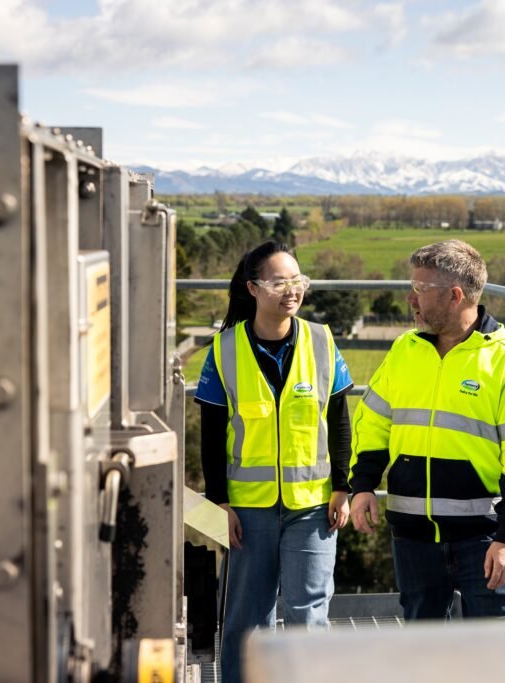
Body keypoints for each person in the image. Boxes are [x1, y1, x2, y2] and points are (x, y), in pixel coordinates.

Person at [350, 239, 505, 620]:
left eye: (420, 288)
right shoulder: (405, 350)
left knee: (492, 644)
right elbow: (373, 420)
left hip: (484, 538)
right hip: (412, 533)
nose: (411, 298)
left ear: (455, 295)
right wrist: (362, 485)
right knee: (423, 644)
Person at [194, 240, 353, 683]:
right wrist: (219, 504)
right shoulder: (224, 350)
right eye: (279, 282)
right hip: (248, 511)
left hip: (313, 507)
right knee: (248, 621)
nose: (292, 290)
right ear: (252, 288)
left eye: (297, 280)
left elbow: (340, 420)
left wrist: (343, 486)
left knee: (309, 615)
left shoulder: (322, 341)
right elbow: (211, 435)